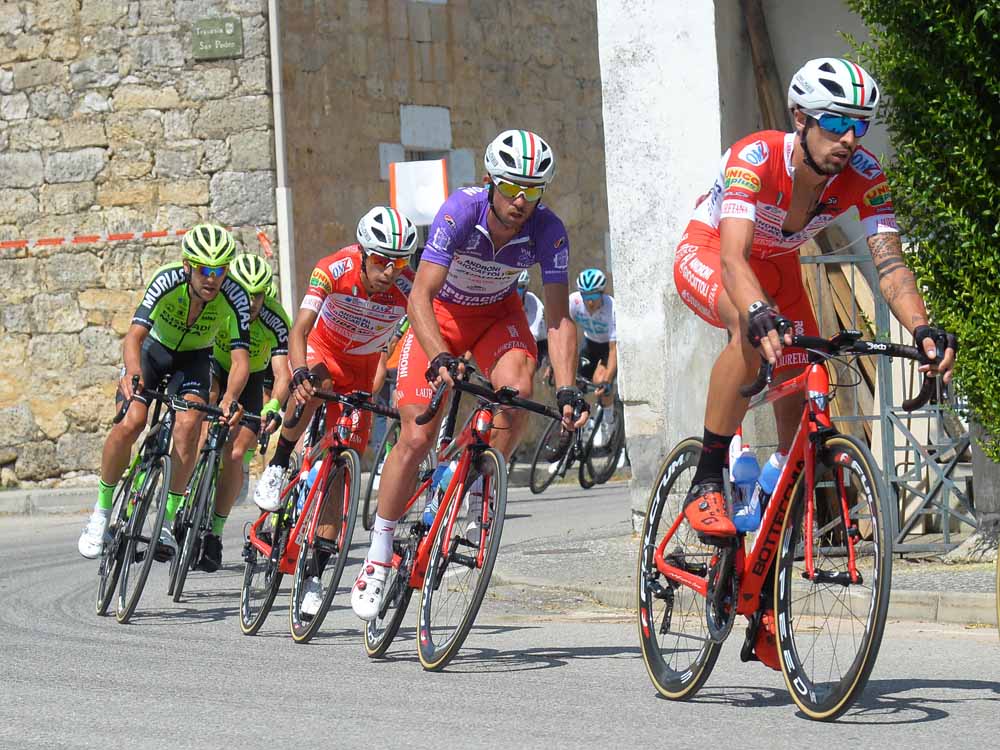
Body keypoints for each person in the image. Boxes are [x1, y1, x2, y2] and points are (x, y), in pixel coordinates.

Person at [672, 58, 956, 668]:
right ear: (800, 119)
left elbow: (891, 266)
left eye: (861, 126)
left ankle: (763, 595)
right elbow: (733, 257)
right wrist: (755, 310)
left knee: (800, 404)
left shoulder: (864, 173)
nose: (849, 140)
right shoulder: (756, 156)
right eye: (834, 123)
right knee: (750, 336)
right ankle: (707, 475)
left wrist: (924, 327)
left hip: (780, 271)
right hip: (717, 258)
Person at [351, 129, 589, 621]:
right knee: (416, 432)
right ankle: (378, 551)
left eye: (533, 190)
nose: (522, 200)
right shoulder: (461, 212)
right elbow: (419, 295)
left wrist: (566, 387)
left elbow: (562, 317)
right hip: (441, 315)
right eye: (512, 187)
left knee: (519, 391)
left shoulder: (549, 230)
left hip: (498, 315)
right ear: (489, 181)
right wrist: (438, 356)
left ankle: (475, 476)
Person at [252, 206, 417, 617]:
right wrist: (301, 371)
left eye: (399, 263)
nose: (390, 271)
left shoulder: (408, 287)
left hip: (361, 371)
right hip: (322, 352)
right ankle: (278, 464)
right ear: (363, 253)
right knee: (315, 386)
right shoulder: (332, 269)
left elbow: (412, 341)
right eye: (381, 261)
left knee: (343, 471)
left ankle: (313, 575)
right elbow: (299, 330)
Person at [78, 224, 251, 560]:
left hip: (195, 359)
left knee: (188, 427)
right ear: (188, 266)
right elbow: (134, 337)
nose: (212, 278)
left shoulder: (236, 296)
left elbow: (240, 359)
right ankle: (100, 512)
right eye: (204, 269)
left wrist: (230, 398)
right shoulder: (166, 279)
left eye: (219, 270)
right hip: (153, 352)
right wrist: (133, 373)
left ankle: (168, 518)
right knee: (132, 421)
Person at [198, 254, 291, 572]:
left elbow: (282, 375)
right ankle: (183, 496)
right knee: (200, 420)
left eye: (258, 294)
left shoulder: (276, 319)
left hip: (251, 376)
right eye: (245, 292)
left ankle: (215, 533)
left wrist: (272, 407)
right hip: (214, 365)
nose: (251, 301)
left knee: (236, 454)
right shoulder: (218, 304)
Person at [568, 268, 618, 446]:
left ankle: (608, 421)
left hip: (607, 348)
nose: (589, 302)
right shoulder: (573, 302)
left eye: (594, 297)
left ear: (601, 294)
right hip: (589, 344)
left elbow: (613, 349)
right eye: (585, 296)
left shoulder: (611, 308)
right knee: (573, 384)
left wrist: (608, 380)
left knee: (601, 382)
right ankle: (569, 438)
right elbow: (565, 334)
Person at [517, 269, 549, 375]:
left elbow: (531, 337)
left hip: (538, 344)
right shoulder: (501, 298)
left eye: (520, 287)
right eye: (513, 286)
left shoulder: (533, 303)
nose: (516, 291)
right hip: (513, 339)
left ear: (526, 288)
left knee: (522, 365)